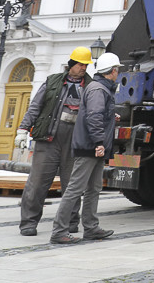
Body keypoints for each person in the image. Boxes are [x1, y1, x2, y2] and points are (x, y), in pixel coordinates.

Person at [16, 47, 91, 236]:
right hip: (48, 138)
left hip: (75, 142)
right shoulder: (53, 81)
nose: (83, 68)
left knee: (72, 184)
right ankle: (28, 222)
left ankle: (70, 221)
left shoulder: (91, 86)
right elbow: (35, 107)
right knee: (37, 182)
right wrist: (23, 130)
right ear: (71, 64)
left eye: (86, 65)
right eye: (80, 64)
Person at [50, 52, 121, 244]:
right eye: (117, 70)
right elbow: (94, 116)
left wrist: (110, 116)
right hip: (90, 146)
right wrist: (99, 143)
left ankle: (91, 228)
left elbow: (97, 113)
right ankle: (59, 231)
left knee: (94, 188)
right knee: (75, 188)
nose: (118, 73)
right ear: (112, 71)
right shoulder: (98, 89)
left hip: (93, 145)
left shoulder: (100, 88)